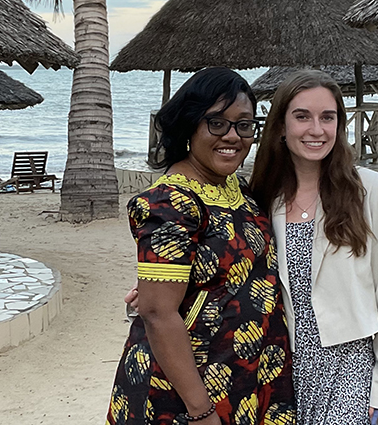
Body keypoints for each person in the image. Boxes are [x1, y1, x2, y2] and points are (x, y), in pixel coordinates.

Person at [107, 67, 297, 425]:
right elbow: (158, 313)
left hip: (248, 375)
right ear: (190, 126)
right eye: (217, 123)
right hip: (187, 392)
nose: (233, 136)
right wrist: (201, 411)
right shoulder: (169, 203)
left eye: (244, 124)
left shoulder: (239, 190)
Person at [248, 70, 378, 425]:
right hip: (280, 369)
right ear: (280, 126)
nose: (316, 129)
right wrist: (157, 294)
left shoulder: (370, 190)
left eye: (328, 117)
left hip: (350, 369)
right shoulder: (262, 197)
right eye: (302, 116)